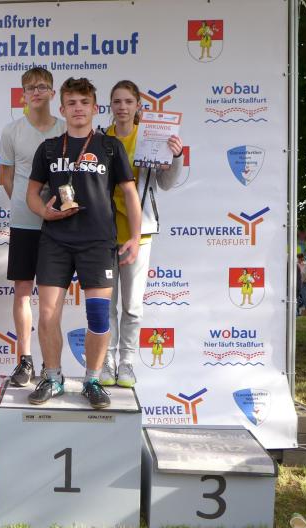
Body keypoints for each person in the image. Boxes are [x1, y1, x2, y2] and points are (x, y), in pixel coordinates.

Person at [26, 77, 141, 409]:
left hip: (98, 242)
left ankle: (92, 379)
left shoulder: (110, 146)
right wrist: (44, 212)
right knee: (48, 314)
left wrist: (134, 237)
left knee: (99, 316)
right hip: (56, 241)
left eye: (84, 103)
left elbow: (130, 194)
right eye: (72, 103)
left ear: (95, 108)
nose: (78, 109)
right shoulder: (49, 148)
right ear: (62, 109)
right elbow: (31, 193)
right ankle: (52, 377)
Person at [101, 80, 183, 388]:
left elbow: (165, 184)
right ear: (110, 105)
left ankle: (127, 363)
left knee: (132, 306)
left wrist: (175, 157)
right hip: (103, 231)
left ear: (138, 106)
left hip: (140, 233)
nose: (122, 107)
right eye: (117, 101)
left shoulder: (151, 137)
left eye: (128, 101)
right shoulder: (100, 138)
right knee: (105, 304)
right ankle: (107, 361)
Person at [0, 67, 66, 387]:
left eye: (42, 87)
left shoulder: (66, 128)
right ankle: (25, 360)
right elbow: (6, 177)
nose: (36, 92)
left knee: (53, 297)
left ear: (53, 92)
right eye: (30, 88)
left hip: (62, 223)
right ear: (23, 94)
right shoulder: (11, 131)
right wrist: (29, 205)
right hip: (25, 222)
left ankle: (52, 364)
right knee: (23, 291)